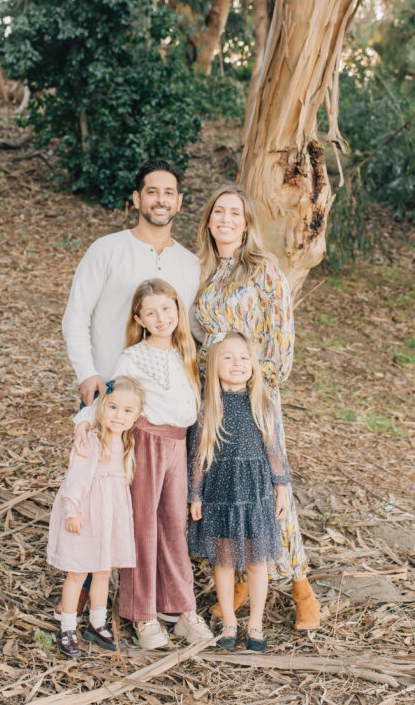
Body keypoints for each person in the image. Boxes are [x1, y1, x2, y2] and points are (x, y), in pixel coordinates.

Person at [194, 184, 320, 631]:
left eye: (235, 213)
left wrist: (255, 390)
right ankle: (246, 577)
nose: (226, 219)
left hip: (256, 397)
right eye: (218, 212)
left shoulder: (264, 271)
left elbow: (281, 343)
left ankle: (300, 584)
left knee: (270, 489)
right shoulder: (205, 276)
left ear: (247, 223)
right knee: (231, 488)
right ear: (209, 220)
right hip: (215, 401)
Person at [74, 279, 212, 650]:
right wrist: (84, 421)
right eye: (151, 312)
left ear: (178, 311)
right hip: (147, 442)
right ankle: (141, 614)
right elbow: (109, 396)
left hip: (178, 444)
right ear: (139, 318)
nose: (161, 317)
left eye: (167, 309)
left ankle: (180, 609)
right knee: (142, 526)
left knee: (173, 525)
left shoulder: (187, 352)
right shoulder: (133, 357)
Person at [62, 159, 200, 407]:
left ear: (178, 202)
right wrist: (86, 373)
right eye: (152, 192)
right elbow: (76, 313)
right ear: (137, 199)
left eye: (168, 193)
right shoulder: (106, 250)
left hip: (165, 403)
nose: (160, 200)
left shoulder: (190, 265)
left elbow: (188, 333)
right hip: (109, 390)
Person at [189, 332, 291, 652]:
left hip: (257, 491)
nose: (237, 364)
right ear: (214, 364)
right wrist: (195, 494)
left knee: (257, 561)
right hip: (221, 491)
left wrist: (282, 489)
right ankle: (230, 621)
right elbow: (199, 457)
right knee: (224, 559)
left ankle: (256, 624)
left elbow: (275, 450)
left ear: (253, 365)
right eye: (228, 357)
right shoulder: (208, 408)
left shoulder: (261, 402)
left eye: (244, 358)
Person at [47, 376, 145, 658]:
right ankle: (67, 628)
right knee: (78, 572)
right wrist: (72, 510)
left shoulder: (126, 443)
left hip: (109, 518)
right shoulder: (92, 439)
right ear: (101, 407)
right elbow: (76, 479)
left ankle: (97, 624)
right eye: (113, 407)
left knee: (103, 571)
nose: (119, 416)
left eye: (128, 411)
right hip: (87, 516)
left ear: (136, 416)